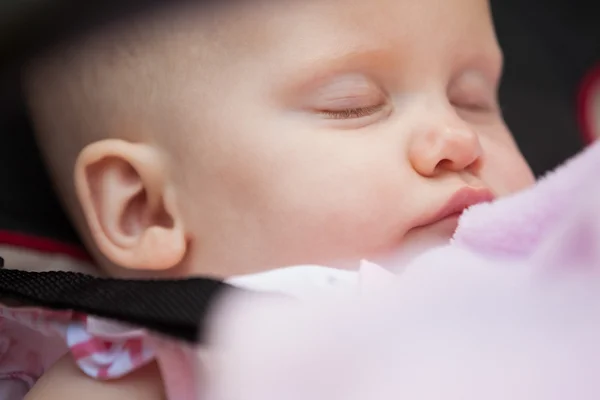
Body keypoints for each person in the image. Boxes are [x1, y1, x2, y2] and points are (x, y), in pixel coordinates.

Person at [14, 0, 534, 398]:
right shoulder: (156, 368)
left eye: (474, 101)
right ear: (146, 210)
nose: (459, 138)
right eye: (353, 105)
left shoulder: (557, 267)